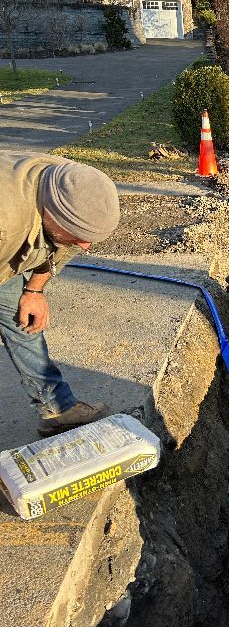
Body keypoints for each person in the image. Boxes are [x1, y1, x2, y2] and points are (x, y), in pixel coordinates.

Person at [0, 152, 120, 437]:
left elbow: (64, 246)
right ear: (51, 214)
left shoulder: (69, 187)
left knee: (23, 322)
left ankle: (58, 408)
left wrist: (33, 290)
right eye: (78, 234)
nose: (86, 246)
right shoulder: (5, 221)